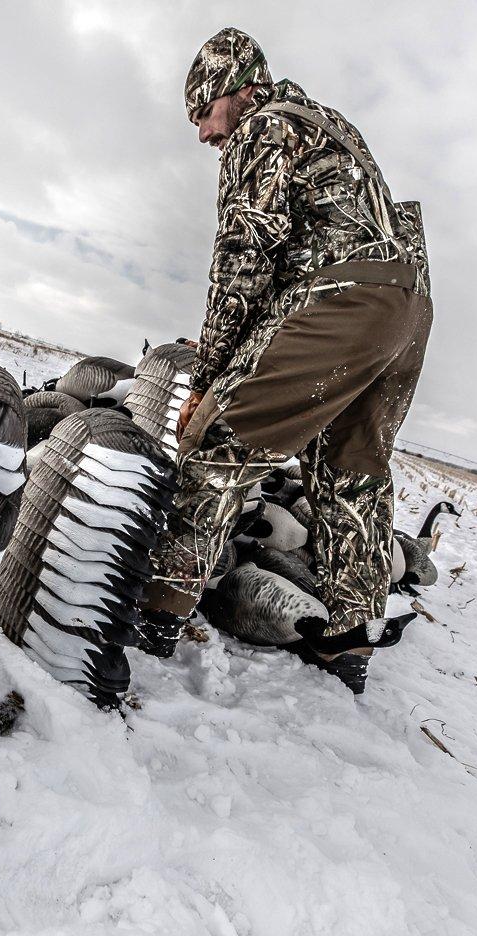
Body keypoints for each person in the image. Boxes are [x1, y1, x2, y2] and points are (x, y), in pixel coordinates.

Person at [139, 27, 433, 693]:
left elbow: (243, 261)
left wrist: (210, 379)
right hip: (407, 305)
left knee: (216, 442)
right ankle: (348, 647)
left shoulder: (262, 128)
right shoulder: (330, 124)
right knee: (352, 479)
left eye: (204, 114)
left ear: (237, 91)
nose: (203, 135)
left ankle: (156, 619)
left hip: (342, 298)